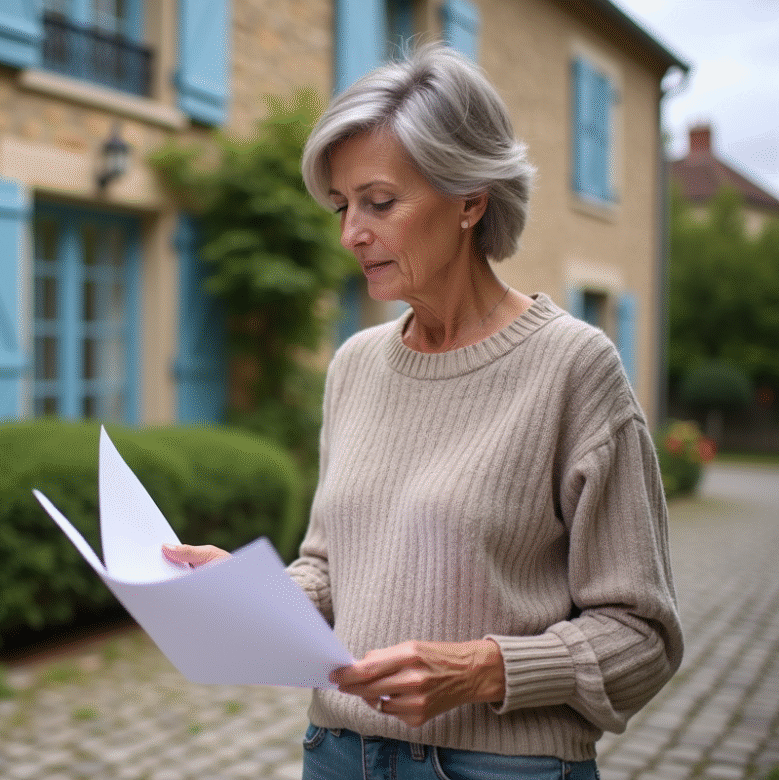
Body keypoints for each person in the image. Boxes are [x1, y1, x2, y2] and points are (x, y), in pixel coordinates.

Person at [163, 43, 683, 779]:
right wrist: (257, 594)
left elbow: (644, 636)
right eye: (344, 208)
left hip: (499, 768)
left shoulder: (574, 367)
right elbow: (333, 566)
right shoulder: (355, 366)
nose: (351, 234)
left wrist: (483, 668)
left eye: (379, 203)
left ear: (471, 198)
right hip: (336, 753)